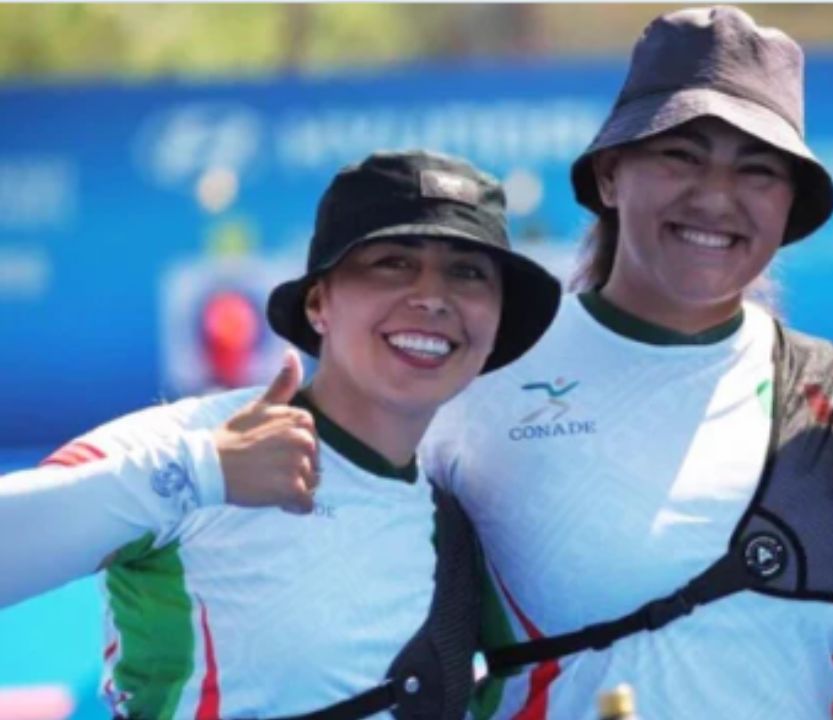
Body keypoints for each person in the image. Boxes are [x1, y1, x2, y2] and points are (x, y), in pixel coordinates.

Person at [422, 6, 833, 719]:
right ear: (610, 176)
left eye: (757, 170)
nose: (715, 198)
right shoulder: (486, 367)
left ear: (790, 207)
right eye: (682, 156)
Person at [0, 150, 562, 719]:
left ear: (496, 322)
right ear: (319, 301)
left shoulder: (458, 517)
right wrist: (201, 473)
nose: (432, 297)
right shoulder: (196, 442)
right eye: (393, 262)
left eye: (467, 273)